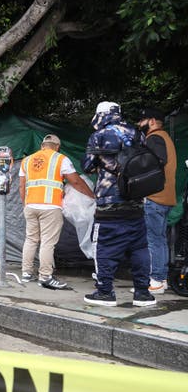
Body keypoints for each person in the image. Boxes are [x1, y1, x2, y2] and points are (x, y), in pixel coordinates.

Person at [82, 101, 156, 307]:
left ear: (101, 115)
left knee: (104, 248)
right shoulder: (137, 133)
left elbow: (87, 165)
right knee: (140, 248)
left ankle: (105, 292)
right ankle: (143, 293)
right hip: (135, 202)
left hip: (109, 203)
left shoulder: (100, 135)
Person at [19, 134, 95, 289]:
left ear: (42, 146)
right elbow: (75, 181)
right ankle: (45, 276)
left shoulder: (26, 161)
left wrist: (25, 204)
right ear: (57, 146)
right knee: (48, 242)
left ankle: (26, 273)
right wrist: (92, 196)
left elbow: (22, 186)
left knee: (31, 239)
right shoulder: (61, 159)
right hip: (50, 207)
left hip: (30, 205)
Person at [139, 107, 177, 294]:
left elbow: (155, 162)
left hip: (155, 197)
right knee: (160, 239)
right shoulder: (165, 137)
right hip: (166, 197)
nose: (140, 124)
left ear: (152, 121)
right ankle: (161, 279)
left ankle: (155, 281)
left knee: (153, 240)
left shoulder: (154, 138)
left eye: (142, 121)